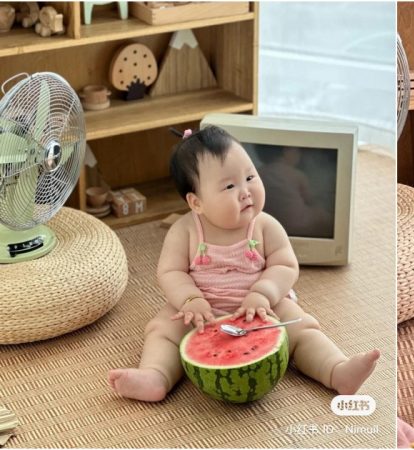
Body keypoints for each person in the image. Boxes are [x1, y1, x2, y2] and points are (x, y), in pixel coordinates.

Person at [108, 126, 379, 402]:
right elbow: (170, 272)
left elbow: (285, 265)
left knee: (302, 328)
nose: (246, 191)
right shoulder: (185, 231)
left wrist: (263, 293)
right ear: (196, 202)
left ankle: (336, 370)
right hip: (202, 310)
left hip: (265, 308)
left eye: (250, 176)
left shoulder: (264, 226)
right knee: (162, 331)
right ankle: (155, 376)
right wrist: (190, 299)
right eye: (229, 186)